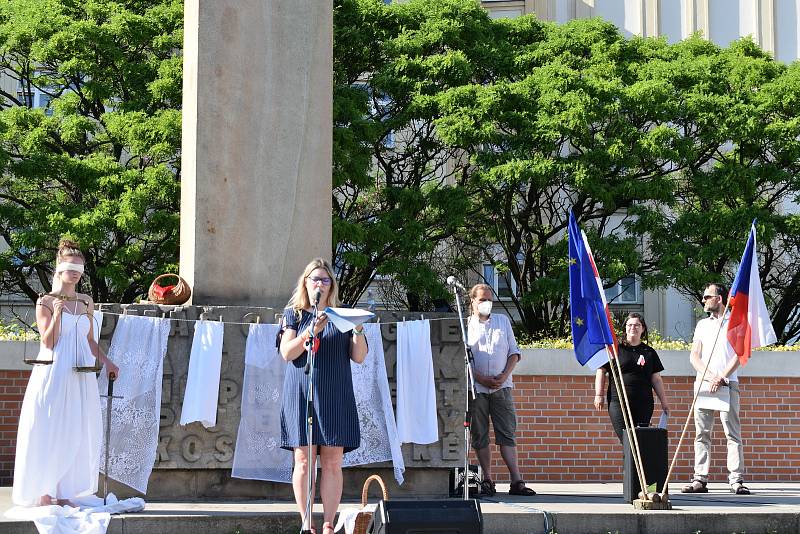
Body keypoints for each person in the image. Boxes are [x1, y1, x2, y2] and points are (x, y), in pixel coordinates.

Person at [12, 239, 120, 506]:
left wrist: (107, 362)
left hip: (80, 374)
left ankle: (66, 492)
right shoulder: (45, 301)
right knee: (51, 427)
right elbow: (48, 342)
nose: (75, 272)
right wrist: (58, 315)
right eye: (70, 266)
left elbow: (90, 341)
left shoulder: (86, 301)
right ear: (59, 268)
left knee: (76, 429)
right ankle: (45, 492)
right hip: (54, 372)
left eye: (79, 267)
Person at [279, 258, 368, 534]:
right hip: (301, 392)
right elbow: (287, 353)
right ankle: (307, 521)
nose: (319, 284)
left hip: (334, 394)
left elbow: (360, 356)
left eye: (325, 280)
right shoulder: (293, 314)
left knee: (331, 461)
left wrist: (358, 328)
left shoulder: (342, 315)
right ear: (305, 283)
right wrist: (310, 330)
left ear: (332, 285)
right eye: (314, 279)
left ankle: (329, 522)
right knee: (303, 460)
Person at [466, 283, 535, 497]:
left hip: (502, 388)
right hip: (477, 388)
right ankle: (487, 479)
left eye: (489, 299)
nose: (486, 303)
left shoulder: (502, 322)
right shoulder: (465, 324)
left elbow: (514, 352)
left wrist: (504, 375)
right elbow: (462, 360)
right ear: (473, 302)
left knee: (507, 433)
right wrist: (481, 378)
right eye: (482, 299)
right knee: (480, 434)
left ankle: (516, 480)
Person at [682, 283, 750, 495]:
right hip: (703, 384)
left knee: (732, 433)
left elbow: (740, 355)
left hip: (729, 384)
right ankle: (700, 479)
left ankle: (736, 480)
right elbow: (694, 355)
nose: (703, 300)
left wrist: (722, 377)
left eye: (707, 296)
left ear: (719, 299)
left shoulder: (736, 322)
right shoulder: (702, 324)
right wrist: (710, 376)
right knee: (702, 433)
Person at [594, 313, 670, 442]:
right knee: (626, 440)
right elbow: (601, 371)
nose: (633, 328)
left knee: (640, 440)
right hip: (619, 402)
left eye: (637, 325)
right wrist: (598, 395)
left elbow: (656, 379)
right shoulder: (615, 349)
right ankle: (629, 462)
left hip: (643, 403)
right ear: (625, 328)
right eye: (629, 325)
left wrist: (664, 402)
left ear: (643, 328)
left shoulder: (649, 352)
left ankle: (638, 463)